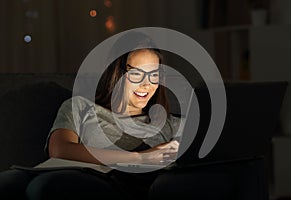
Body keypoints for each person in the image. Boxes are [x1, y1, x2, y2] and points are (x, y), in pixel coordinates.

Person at [0, 31, 181, 200]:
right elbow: (60, 149)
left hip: (100, 182)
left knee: (43, 188)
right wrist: (139, 157)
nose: (146, 84)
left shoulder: (171, 124)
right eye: (136, 74)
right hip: (48, 170)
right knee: (7, 183)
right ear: (117, 74)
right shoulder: (80, 106)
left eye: (153, 75)